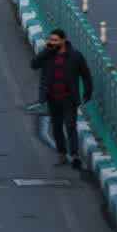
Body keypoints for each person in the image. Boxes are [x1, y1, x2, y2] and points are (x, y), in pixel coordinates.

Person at [31, 28, 94, 169]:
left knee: (71, 126)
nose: (52, 42)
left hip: (69, 99)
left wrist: (87, 93)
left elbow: (86, 75)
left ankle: (75, 155)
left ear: (63, 40)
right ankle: (61, 154)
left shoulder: (75, 56)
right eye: (51, 40)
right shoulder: (48, 55)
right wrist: (46, 50)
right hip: (52, 98)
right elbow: (34, 65)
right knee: (57, 127)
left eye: (55, 40)